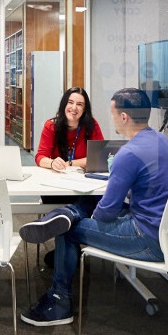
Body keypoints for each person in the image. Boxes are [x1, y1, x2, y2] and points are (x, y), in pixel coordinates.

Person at [19, 88, 168, 327]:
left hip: (148, 239)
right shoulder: (161, 140)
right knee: (75, 216)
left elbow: (106, 212)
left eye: (113, 113)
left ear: (124, 117)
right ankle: (67, 215)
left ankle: (59, 303)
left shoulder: (127, 154)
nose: (112, 119)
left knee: (68, 229)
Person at [35, 86, 104, 267]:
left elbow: (99, 156)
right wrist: (52, 163)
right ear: (64, 104)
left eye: (80, 104)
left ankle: (63, 251)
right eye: (71, 102)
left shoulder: (92, 126)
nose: (74, 108)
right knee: (77, 207)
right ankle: (68, 250)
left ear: (85, 109)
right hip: (56, 187)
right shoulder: (51, 125)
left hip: (83, 186)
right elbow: (40, 157)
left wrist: (72, 163)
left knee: (85, 201)